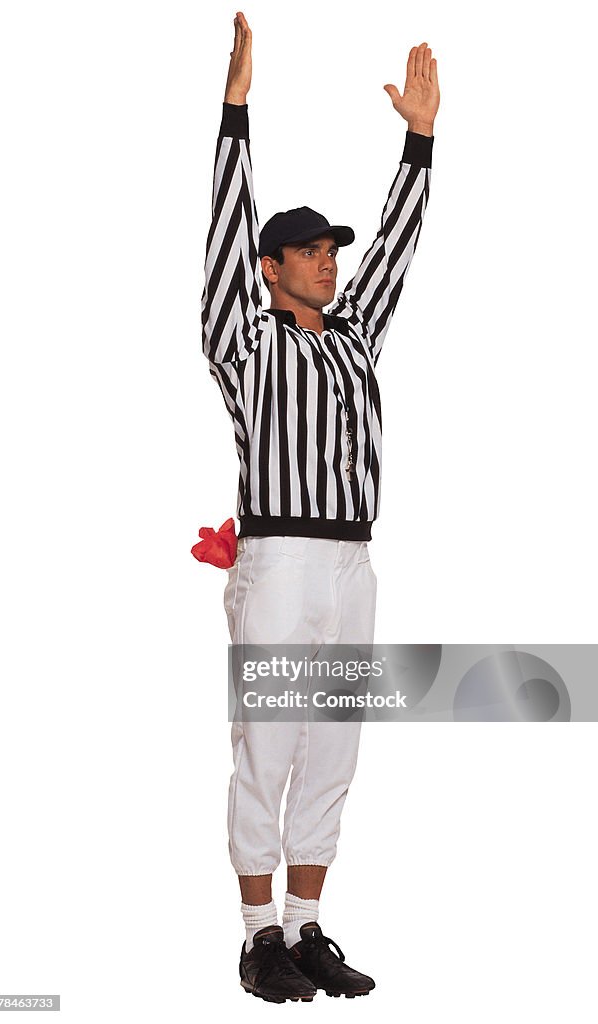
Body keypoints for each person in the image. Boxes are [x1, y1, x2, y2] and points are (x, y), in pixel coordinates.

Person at [201, 10, 439, 1004]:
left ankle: (306, 925)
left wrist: (419, 140)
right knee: (271, 738)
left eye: (328, 248)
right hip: (280, 557)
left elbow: (396, 247)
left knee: (334, 743)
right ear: (273, 267)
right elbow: (218, 249)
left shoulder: (352, 338)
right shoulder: (247, 344)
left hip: (351, 561)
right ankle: (257, 934)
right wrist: (233, 116)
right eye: (306, 251)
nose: (328, 258)